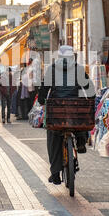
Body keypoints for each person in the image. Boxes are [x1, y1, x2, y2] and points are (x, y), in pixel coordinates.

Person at [38, 45, 95, 185]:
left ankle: (55, 173)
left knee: (53, 136)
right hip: (74, 109)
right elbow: (90, 90)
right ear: (72, 56)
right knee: (80, 118)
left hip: (57, 110)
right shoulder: (78, 69)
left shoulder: (52, 69)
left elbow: (44, 90)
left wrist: (41, 100)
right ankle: (81, 141)